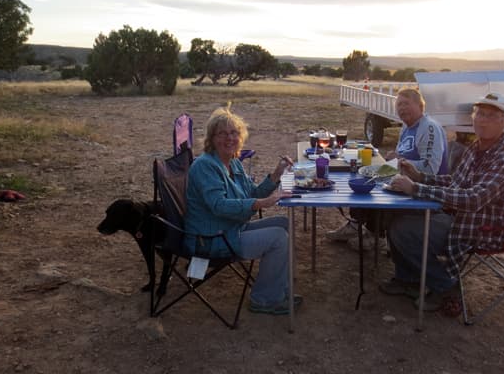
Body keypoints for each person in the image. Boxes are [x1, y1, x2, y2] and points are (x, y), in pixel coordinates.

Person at [381, 92, 504, 312]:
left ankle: (445, 287)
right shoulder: (478, 147)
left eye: (490, 116)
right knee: (395, 215)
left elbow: (475, 199)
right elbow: (456, 182)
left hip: (482, 226)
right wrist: (420, 176)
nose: (481, 120)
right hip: (459, 215)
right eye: (479, 114)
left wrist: (417, 188)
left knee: (404, 230)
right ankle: (407, 279)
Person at [184, 106, 301, 315]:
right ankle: (264, 300)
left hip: (231, 228)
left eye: (234, 133)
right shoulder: (205, 166)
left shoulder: (233, 162)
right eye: (222, 133)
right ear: (212, 138)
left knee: (285, 224)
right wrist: (261, 203)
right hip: (211, 239)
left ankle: (277, 288)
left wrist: (277, 173)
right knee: (278, 238)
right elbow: (218, 205)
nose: (229, 138)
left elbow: (252, 192)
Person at [327, 87, 448, 250]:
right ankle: (356, 225)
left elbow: (430, 169)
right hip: (402, 178)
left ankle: (377, 236)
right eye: (398, 105)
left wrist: (399, 160)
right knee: (366, 177)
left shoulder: (429, 128)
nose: (402, 108)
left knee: (375, 187)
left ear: (420, 105)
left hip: (425, 188)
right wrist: (395, 156)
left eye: (406, 104)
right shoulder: (407, 126)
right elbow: (403, 155)